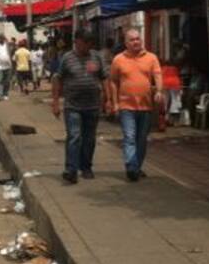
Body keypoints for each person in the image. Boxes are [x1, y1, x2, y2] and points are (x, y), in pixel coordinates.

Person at [52, 28, 110, 184]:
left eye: (90, 43)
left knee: (89, 138)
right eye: (85, 42)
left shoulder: (96, 57)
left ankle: (86, 167)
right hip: (73, 106)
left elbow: (104, 78)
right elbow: (58, 79)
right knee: (74, 136)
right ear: (76, 42)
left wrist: (108, 99)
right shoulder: (67, 58)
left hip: (92, 105)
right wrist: (55, 102)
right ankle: (71, 169)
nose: (87, 46)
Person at [109, 28, 163, 181]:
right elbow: (113, 81)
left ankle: (137, 167)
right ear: (126, 43)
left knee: (141, 139)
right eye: (132, 40)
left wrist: (159, 91)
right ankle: (132, 167)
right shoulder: (118, 59)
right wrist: (115, 103)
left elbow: (157, 75)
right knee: (129, 137)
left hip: (146, 106)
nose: (136, 42)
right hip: (126, 106)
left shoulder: (151, 58)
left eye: (138, 39)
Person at [0, 34, 12, 101]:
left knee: (7, 81)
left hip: (8, 65)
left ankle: (5, 94)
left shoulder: (6, 44)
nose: (2, 40)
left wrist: (11, 63)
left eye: (3, 38)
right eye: (1, 38)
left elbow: (9, 53)